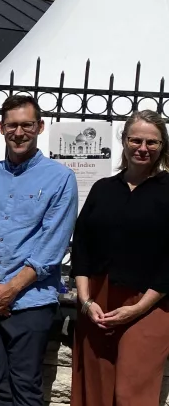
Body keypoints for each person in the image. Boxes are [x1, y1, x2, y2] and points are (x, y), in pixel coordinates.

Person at [0, 95, 78, 406]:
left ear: (40, 127)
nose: (19, 132)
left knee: (26, 388)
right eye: (12, 125)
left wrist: (10, 290)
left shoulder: (61, 178)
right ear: (1, 128)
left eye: (27, 125)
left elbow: (52, 245)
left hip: (30, 301)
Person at [70, 110, 169, 406]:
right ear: (124, 142)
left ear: (162, 146)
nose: (143, 148)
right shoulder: (103, 189)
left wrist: (138, 308)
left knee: (131, 394)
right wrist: (86, 302)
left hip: (152, 302)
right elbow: (82, 246)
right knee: (96, 390)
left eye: (152, 142)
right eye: (135, 140)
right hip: (98, 300)